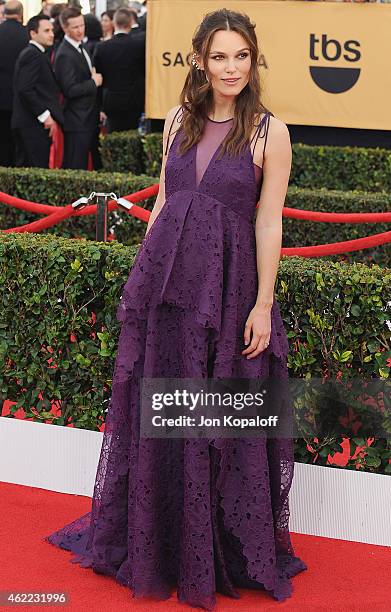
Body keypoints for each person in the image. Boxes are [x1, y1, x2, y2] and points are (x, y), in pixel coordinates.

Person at [44, 8, 307, 610]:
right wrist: (142, 281)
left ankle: (214, 548)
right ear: (200, 60)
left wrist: (262, 305)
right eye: (220, 56)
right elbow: (165, 202)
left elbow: (269, 222)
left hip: (230, 290)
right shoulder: (179, 122)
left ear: (254, 59)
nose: (231, 67)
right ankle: (160, 540)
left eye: (241, 55)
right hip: (169, 290)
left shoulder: (272, 132)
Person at [11, 14, 63, 167]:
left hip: (30, 123)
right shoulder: (33, 54)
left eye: (52, 30)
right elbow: (25, 89)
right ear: (33, 33)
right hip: (31, 125)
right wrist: (45, 116)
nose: (52, 34)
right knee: (35, 167)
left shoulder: (36, 53)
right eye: (46, 31)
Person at [54, 6, 102, 169]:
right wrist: (93, 83)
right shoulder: (64, 54)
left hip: (88, 117)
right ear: (64, 28)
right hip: (76, 120)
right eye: (75, 27)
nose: (80, 30)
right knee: (76, 165)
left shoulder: (81, 46)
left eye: (82, 25)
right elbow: (70, 90)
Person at [93, 8, 145, 132]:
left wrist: (100, 105)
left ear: (114, 23)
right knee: (133, 137)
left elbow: (98, 76)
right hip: (134, 100)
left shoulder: (102, 47)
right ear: (130, 23)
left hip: (111, 100)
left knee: (113, 136)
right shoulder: (139, 45)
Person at [0, 0, 28, 166]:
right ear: (21, 14)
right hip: (22, 99)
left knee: (2, 141)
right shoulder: (27, 35)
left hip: (1, 98)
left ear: (4, 14)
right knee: (19, 144)